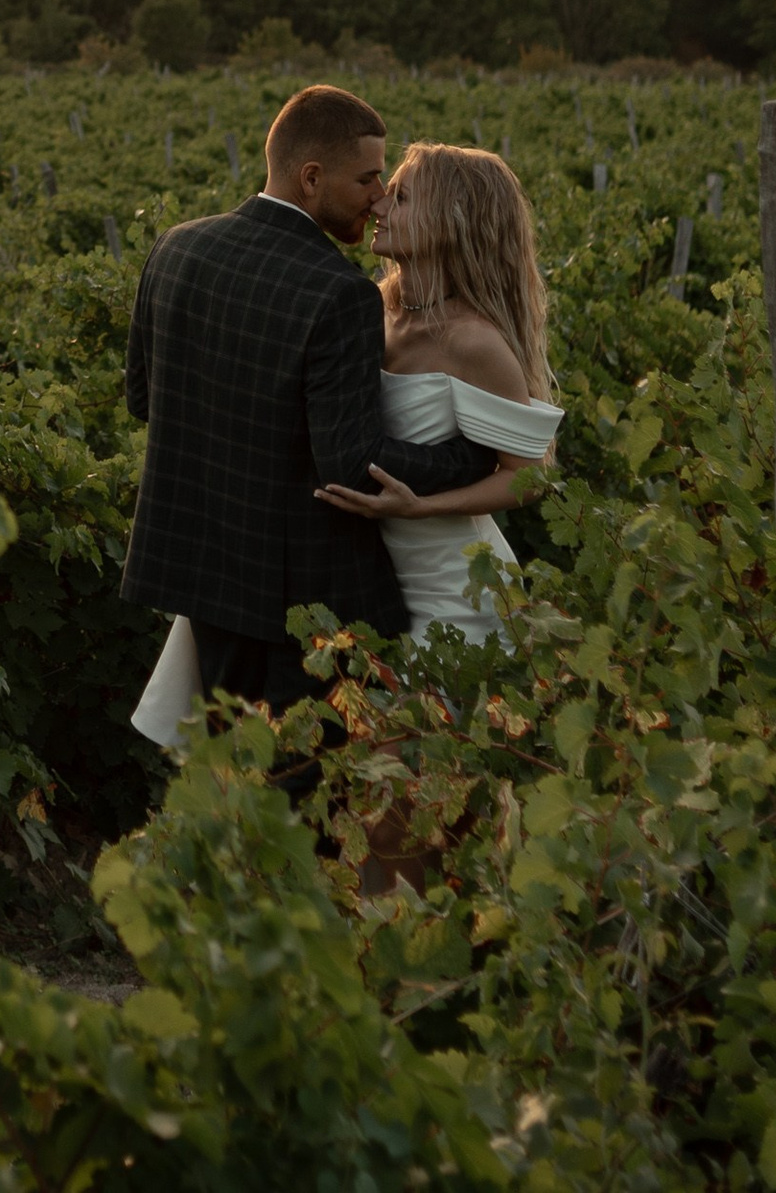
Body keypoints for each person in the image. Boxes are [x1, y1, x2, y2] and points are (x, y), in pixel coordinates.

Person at [125, 86, 499, 755]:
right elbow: (349, 462)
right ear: (311, 177)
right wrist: (469, 459)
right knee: (306, 798)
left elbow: (146, 402)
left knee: (231, 785)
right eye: (366, 178)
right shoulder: (340, 293)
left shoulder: (174, 248)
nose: (378, 195)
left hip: (202, 577)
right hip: (295, 599)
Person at [309, 141, 562, 641]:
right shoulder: (373, 308)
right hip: (373, 579)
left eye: (401, 199)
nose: (378, 205)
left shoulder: (472, 341)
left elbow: (529, 479)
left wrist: (421, 507)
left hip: (454, 588)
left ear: (452, 221)